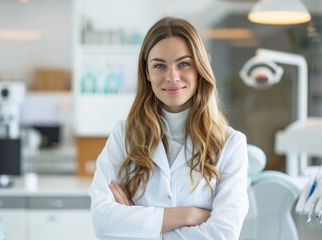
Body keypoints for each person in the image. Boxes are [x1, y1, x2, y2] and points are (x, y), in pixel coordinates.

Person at [89, 16, 249, 240]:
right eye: (159, 66)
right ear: (147, 72)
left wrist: (137, 224)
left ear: (199, 68)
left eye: (184, 64)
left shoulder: (231, 144)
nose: (172, 77)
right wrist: (190, 215)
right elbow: (102, 221)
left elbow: (223, 233)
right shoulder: (124, 136)